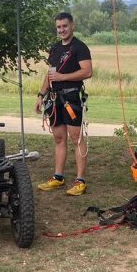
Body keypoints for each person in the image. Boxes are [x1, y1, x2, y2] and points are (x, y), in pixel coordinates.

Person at [35, 12, 93, 195]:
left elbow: (87, 71)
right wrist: (41, 95)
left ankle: (80, 181)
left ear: (72, 26)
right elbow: (50, 74)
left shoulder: (80, 47)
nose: (62, 30)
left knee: (76, 138)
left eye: (65, 26)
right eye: (59, 27)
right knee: (59, 138)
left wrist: (63, 77)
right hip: (54, 99)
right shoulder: (55, 48)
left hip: (71, 98)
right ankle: (58, 177)